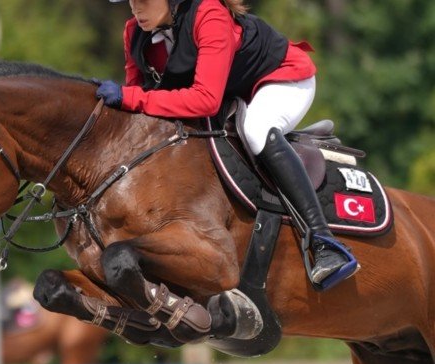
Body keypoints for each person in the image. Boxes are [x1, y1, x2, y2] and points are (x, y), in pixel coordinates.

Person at [97, 0, 358, 289]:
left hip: (279, 79)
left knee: (256, 130)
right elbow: (138, 100)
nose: (135, 8)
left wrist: (130, 98)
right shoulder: (134, 32)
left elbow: (204, 100)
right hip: (230, 93)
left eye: (142, 0)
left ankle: (325, 243)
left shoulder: (209, 13)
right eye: (130, 1)